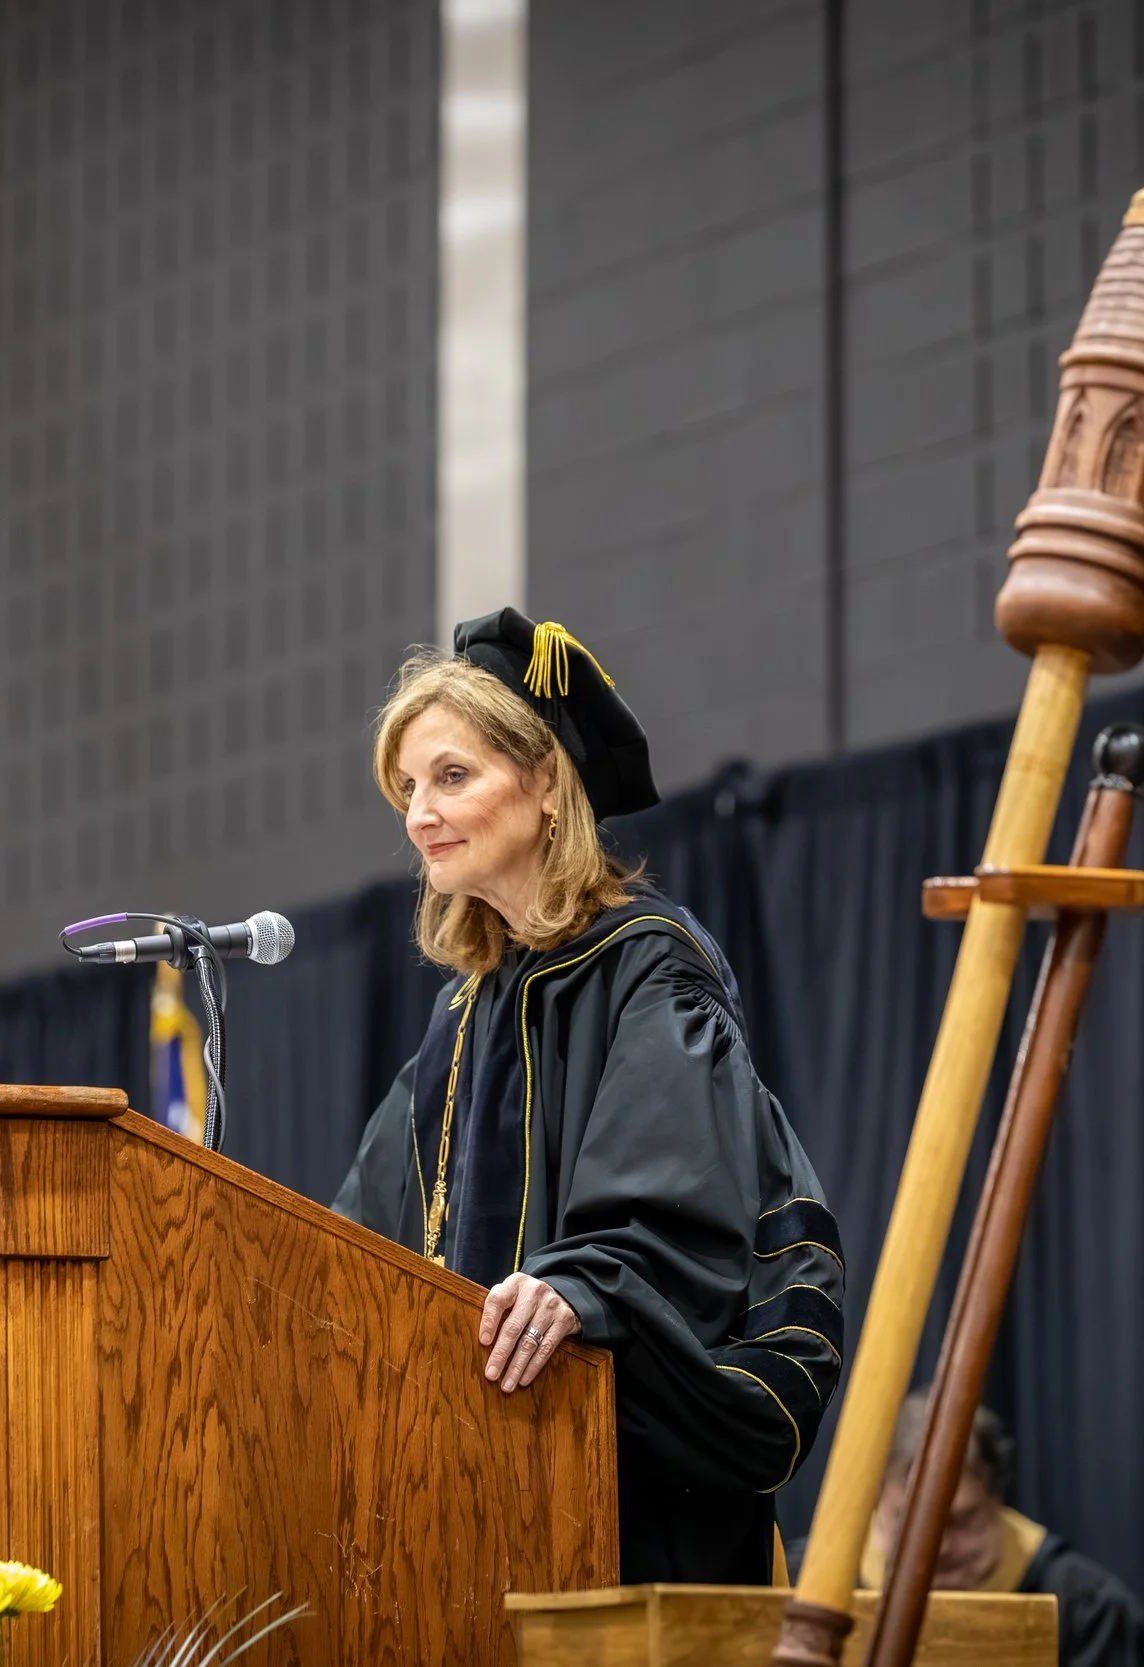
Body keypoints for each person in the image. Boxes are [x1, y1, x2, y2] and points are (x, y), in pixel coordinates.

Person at [333, 609, 844, 1585]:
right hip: (469, 1497)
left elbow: (673, 1220)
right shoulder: (460, 1021)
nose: (418, 813)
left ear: (544, 783)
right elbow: (360, 1238)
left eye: (451, 775)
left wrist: (583, 1285)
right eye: (406, 787)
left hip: (622, 1500)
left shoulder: (647, 965)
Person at [863, 1392, 1144, 1667]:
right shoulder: (823, 1587)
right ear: (876, 1503)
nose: (938, 1548)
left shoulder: (1087, 1614)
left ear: (997, 1498)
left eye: (962, 1520)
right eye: (910, 1524)